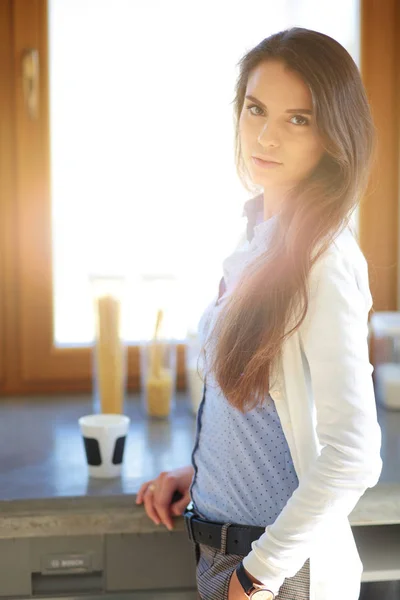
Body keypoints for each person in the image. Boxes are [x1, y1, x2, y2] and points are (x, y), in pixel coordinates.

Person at [136, 27, 383, 600]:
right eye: (256, 109)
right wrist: (202, 477)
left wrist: (257, 578)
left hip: (278, 573)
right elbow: (258, 412)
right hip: (227, 554)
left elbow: (354, 455)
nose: (265, 136)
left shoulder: (324, 261)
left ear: (333, 136)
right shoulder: (259, 241)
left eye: (298, 119)